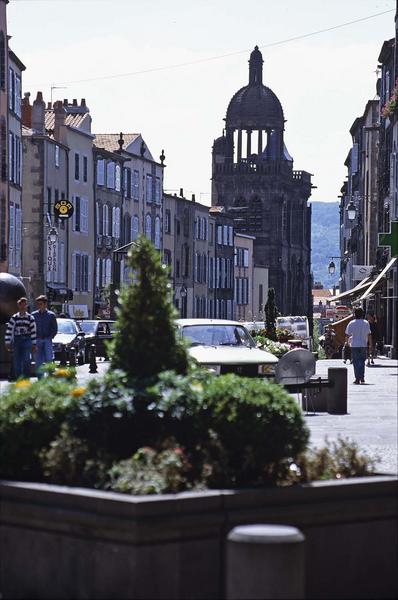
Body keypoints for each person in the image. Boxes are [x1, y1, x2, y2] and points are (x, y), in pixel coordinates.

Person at [5, 297, 37, 379]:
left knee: (26, 360)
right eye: (21, 305)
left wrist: (34, 344)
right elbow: (9, 330)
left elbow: (33, 331)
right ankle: (19, 378)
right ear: (18, 306)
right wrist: (7, 342)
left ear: (26, 306)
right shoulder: (14, 317)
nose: (23, 307)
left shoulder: (30, 318)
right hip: (17, 340)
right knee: (17, 361)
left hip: (27, 340)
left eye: (24, 305)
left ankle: (26, 378)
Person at [32, 294, 58, 378]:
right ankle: (40, 381)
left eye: (41, 304)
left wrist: (50, 337)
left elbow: (54, 328)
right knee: (38, 362)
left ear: (45, 304)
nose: (39, 306)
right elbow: (31, 328)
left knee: (49, 361)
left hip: (47, 340)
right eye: (38, 304)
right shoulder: (34, 315)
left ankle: (50, 380)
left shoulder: (51, 315)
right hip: (37, 340)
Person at [345, 307, 371, 385]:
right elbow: (369, 335)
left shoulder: (351, 323)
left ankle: (357, 378)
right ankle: (362, 377)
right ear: (362, 314)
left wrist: (347, 343)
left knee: (356, 362)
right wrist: (371, 345)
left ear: (354, 314)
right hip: (363, 344)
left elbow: (347, 335)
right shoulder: (366, 323)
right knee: (362, 361)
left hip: (354, 345)